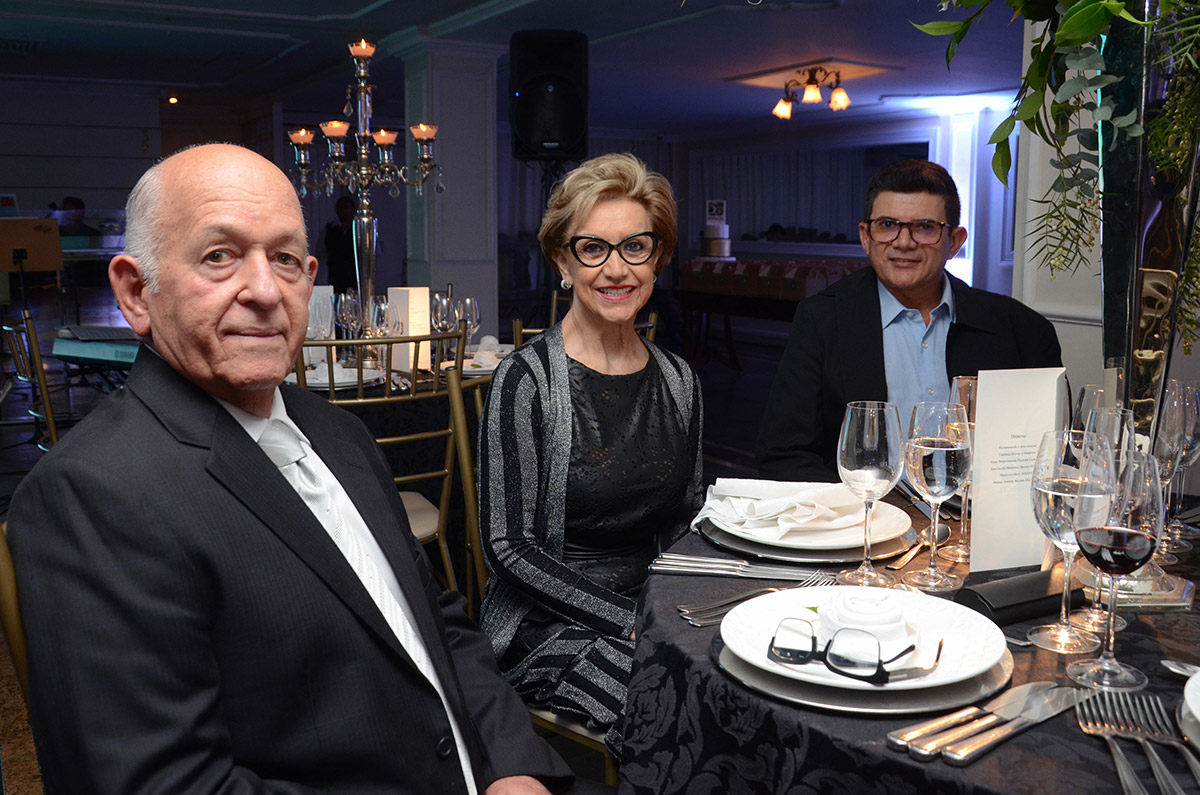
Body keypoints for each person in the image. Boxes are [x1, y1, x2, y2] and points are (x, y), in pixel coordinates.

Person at [6, 144, 594, 795]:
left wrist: (513, 764)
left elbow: (438, 621)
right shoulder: (93, 494)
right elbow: (163, 782)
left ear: (309, 279)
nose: (264, 291)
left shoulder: (338, 431)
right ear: (136, 291)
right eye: (219, 255)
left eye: (285, 259)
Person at [478, 153, 704, 756]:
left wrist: (691, 608)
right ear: (563, 260)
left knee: (739, 683)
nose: (616, 268)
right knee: (672, 702)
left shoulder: (680, 381)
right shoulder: (525, 381)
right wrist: (629, 620)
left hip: (653, 609)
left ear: (657, 256)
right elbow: (508, 548)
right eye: (593, 248)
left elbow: (686, 520)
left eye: (635, 247)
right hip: (547, 622)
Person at [756, 159, 1062, 482]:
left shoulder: (1023, 331)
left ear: (955, 241)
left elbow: (1051, 455)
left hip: (978, 512)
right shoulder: (822, 321)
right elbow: (782, 455)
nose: (903, 242)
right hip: (866, 510)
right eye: (887, 225)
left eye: (925, 227)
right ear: (866, 237)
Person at [317, 194, 357, 293]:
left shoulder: (358, 229)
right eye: (340, 208)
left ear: (352, 210)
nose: (343, 211)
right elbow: (320, 254)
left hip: (356, 280)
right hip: (335, 279)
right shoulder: (329, 230)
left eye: (346, 207)